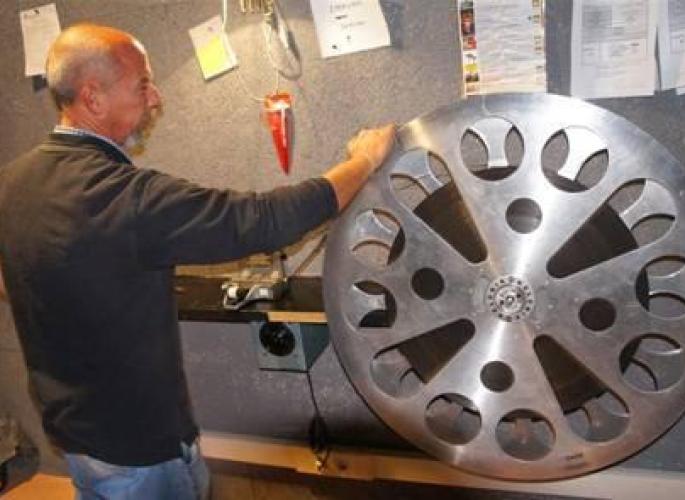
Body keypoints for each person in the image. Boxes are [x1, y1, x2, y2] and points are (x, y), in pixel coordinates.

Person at [0, 23, 395, 499]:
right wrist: (364, 161)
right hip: (141, 451)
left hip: (76, 438)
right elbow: (263, 220)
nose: (156, 98)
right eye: (142, 85)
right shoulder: (124, 197)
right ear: (93, 98)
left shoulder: (12, 182)